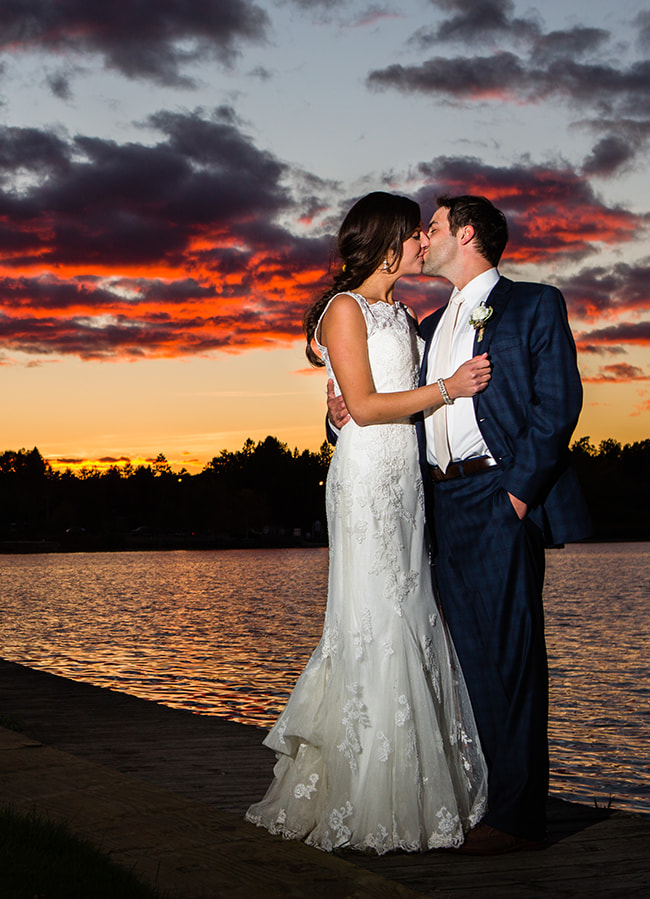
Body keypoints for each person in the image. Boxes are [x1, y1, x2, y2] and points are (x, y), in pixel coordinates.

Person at [327, 194, 592, 855]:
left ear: (466, 233)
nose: (425, 236)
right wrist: (337, 413)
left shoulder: (534, 304)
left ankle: (517, 815)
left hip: (498, 497)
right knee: (466, 660)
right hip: (435, 503)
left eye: (435, 225)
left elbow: (557, 407)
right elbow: (383, 393)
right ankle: (485, 799)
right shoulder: (425, 322)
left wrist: (519, 498)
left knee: (513, 655)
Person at [246, 191, 491, 854]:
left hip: (404, 478)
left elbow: (369, 395)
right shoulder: (344, 309)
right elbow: (363, 403)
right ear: (386, 245)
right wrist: (450, 388)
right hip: (366, 480)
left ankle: (413, 786)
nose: (420, 242)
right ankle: (367, 793)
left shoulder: (400, 309)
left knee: (410, 609)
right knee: (376, 616)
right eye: (412, 234)